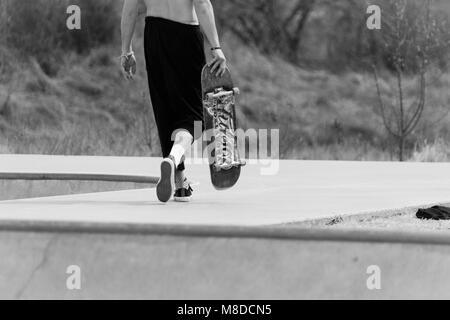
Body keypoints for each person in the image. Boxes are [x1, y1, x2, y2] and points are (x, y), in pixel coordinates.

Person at [121, 0, 227, 202]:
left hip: (154, 34)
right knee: (194, 119)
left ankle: (180, 184)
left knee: (165, 110)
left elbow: (130, 8)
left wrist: (126, 50)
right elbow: (202, 3)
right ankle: (173, 157)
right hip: (185, 35)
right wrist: (216, 47)